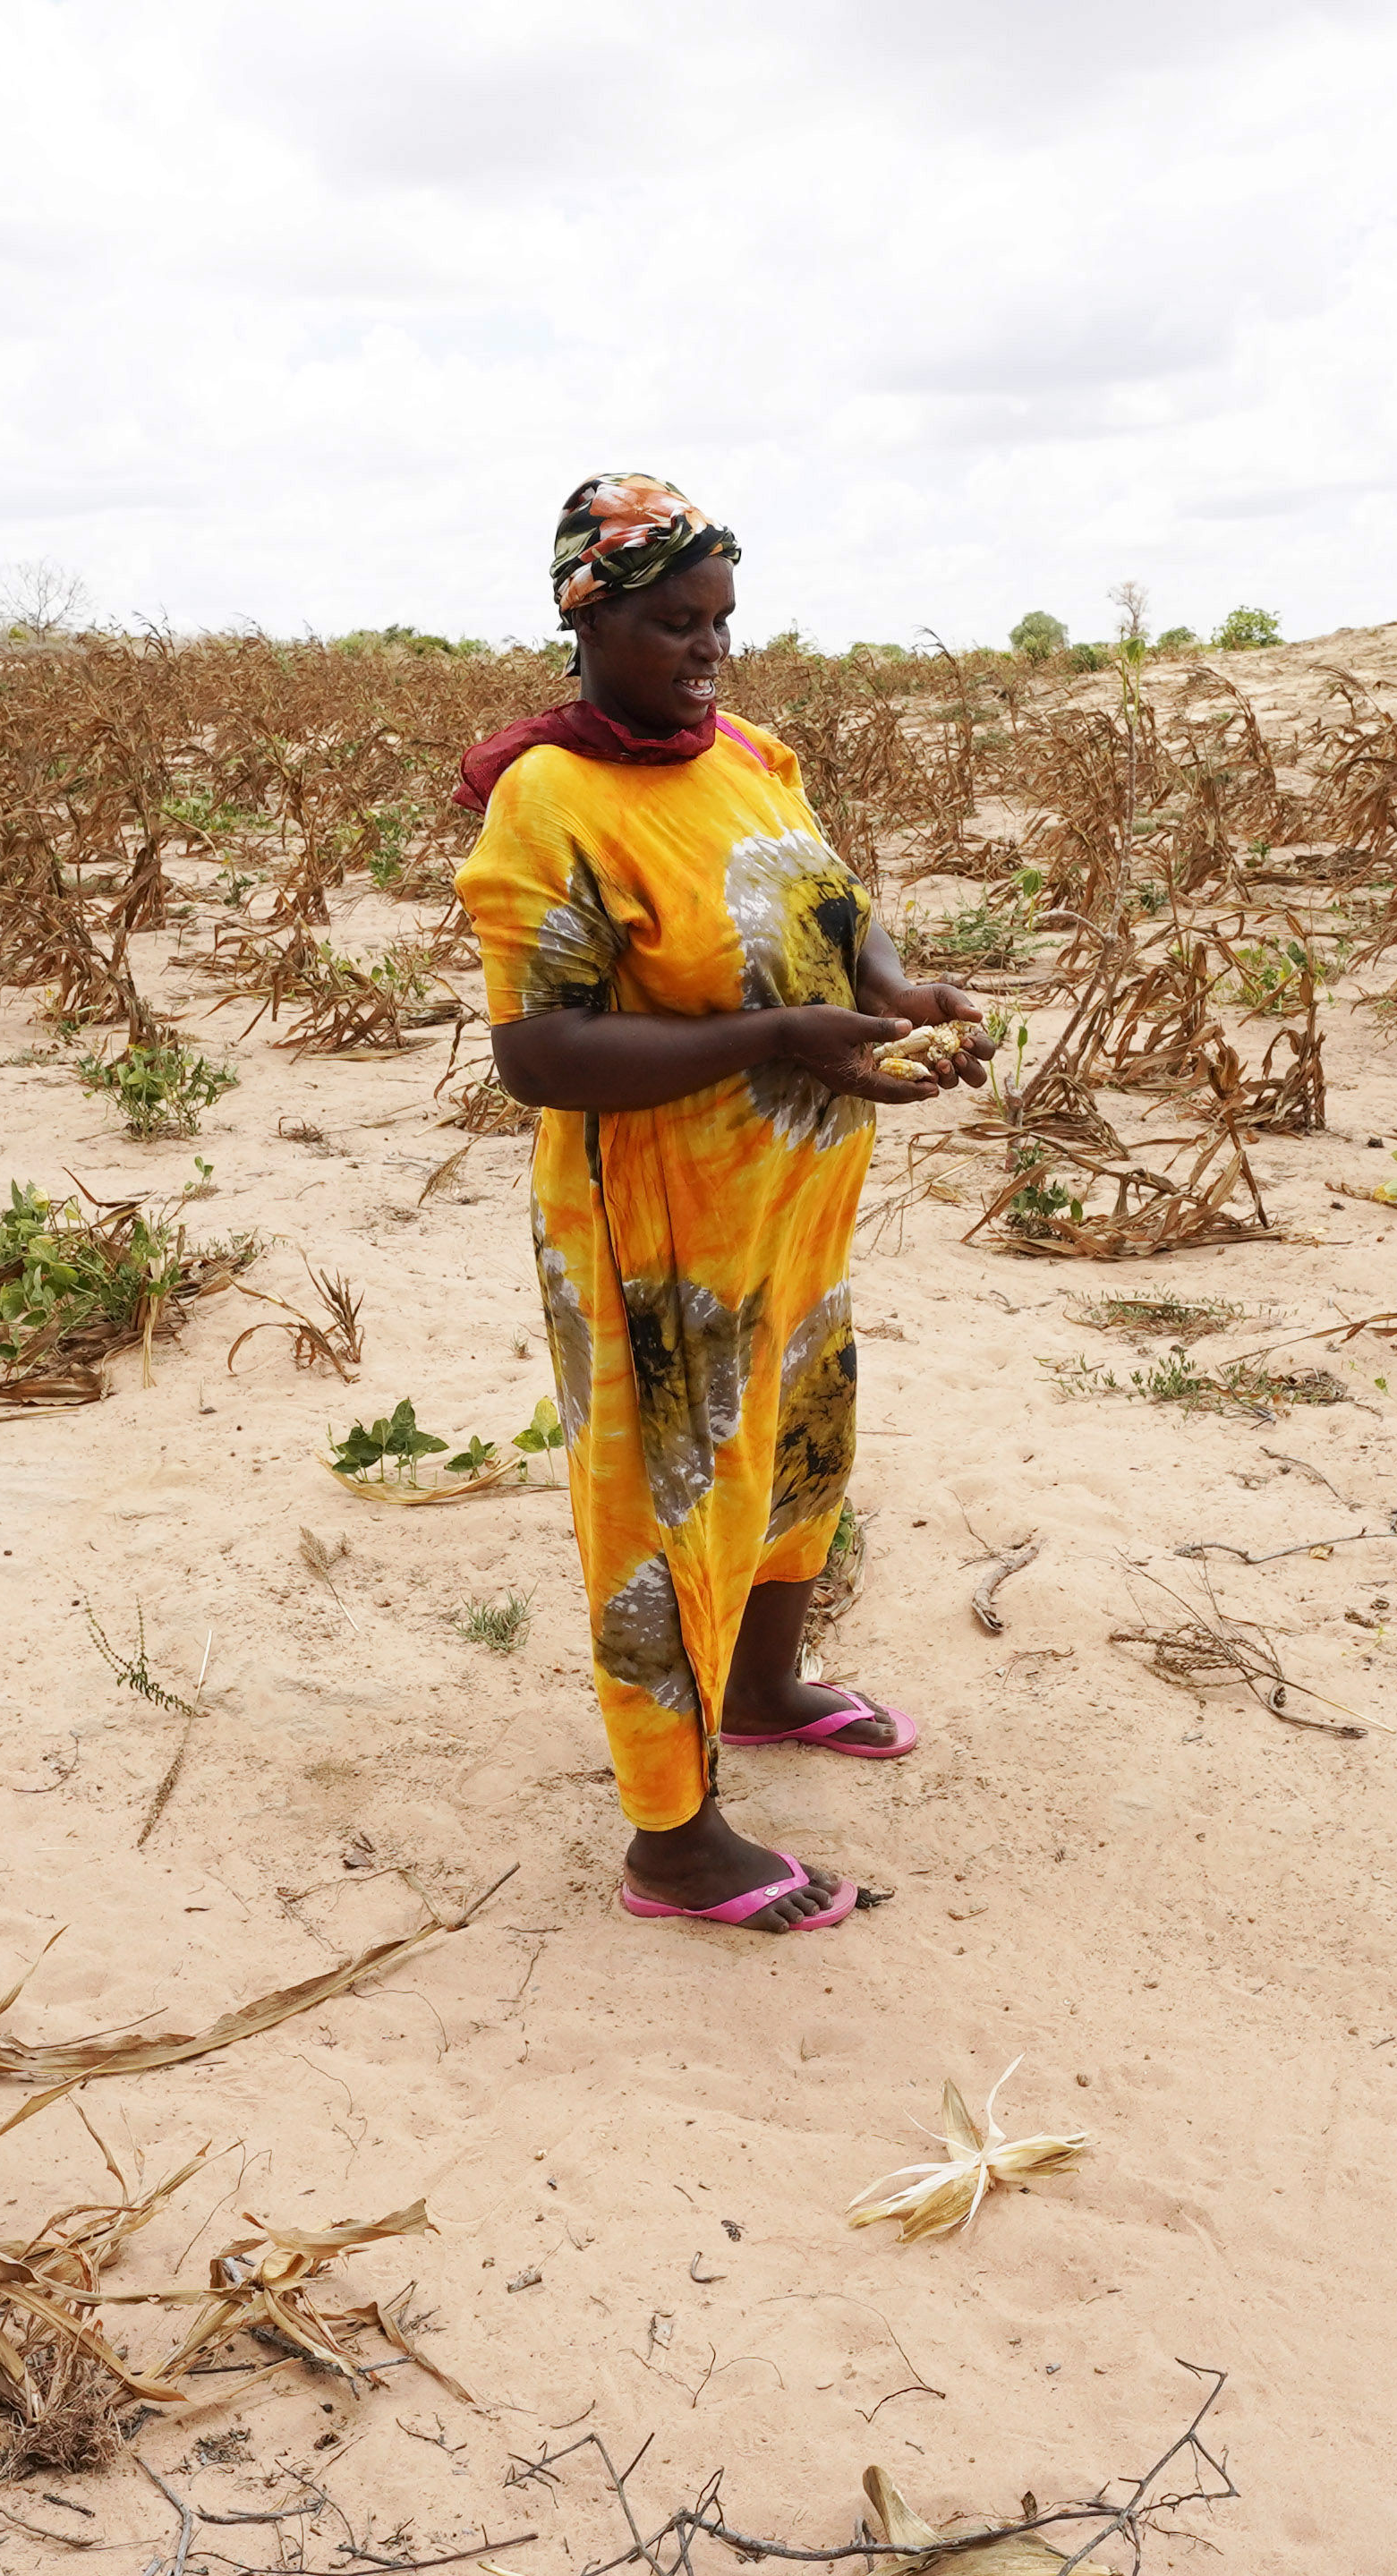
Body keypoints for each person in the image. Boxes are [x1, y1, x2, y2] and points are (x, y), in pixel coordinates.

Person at [455, 472, 986, 1933]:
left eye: (721, 624)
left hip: (790, 1214)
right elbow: (537, 1053)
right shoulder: (547, 797)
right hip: (657, 1240)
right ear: (592, 620)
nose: (706, 655)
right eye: (677, 626)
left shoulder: (751, 751)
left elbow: (833, 908)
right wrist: (771, 1040)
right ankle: (672, 1842)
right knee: (662, 1507)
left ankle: (761, 1688)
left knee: (794, 1448)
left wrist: (898, 994)